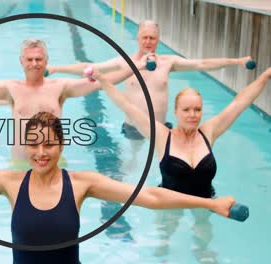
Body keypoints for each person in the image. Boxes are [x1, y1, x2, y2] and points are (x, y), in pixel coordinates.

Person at [0, 111, 239, 264]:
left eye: (49, 144)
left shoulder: (82, 184)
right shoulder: (9, 182)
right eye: (34, 144)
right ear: (25, 146)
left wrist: (209, 204)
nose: (41, 153)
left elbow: (151, 196)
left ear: (61, 144)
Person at [90, 66, 270, 261]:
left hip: (206, 201)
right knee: (164, 239)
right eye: (186, 110)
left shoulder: (208, 132)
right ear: (175, 112)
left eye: (197, 110)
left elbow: (240, 103)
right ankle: (164, 252)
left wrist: (266, 75)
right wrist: (101, 78)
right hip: (169, 204)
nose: (192, 115)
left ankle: (202, 252)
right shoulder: (161, 136)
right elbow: (127, 106)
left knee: (203, 234)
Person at [46, 20, 253, 169]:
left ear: (158, 40)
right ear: (137, 38)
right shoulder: (125, 62)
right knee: (132, 167)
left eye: (152, 38)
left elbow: (201, 64)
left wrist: (236, 62)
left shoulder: (168, 62)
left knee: (164, 169)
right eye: (144, 37)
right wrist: (56, 69)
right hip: (134, 128)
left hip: (162, 130)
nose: (148, 41)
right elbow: (88, 66)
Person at [0, 39, 141, 161]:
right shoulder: (10, 89)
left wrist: (137, 67)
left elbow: (103, 82)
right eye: (30, 59)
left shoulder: (60, 87)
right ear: (21, 61)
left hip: (52, 162)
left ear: (46, 61)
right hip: (21, 163)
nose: (35, 63)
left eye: (39, 59)